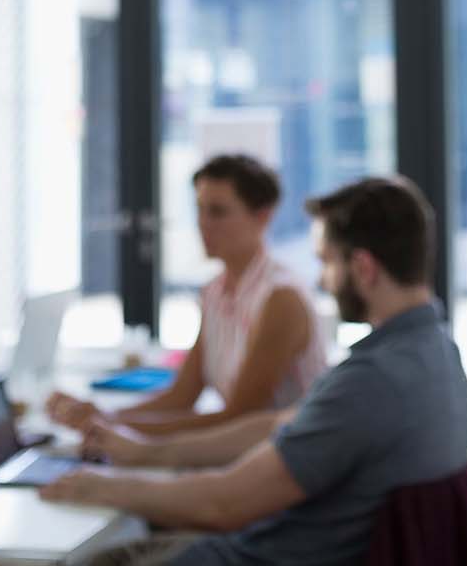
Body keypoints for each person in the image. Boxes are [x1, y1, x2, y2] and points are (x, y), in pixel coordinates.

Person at [38, 177, 467, 566]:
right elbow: (275, 423)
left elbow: (224, 504)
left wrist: (104, 486)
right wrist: (144, 453)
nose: (322, 279)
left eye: (326, 261)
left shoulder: (372, 380)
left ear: (362, 267)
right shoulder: (434, 352)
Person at [45, 155, 327, 435]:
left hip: (283, 461)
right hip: (243, 454)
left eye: (217, 212)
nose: (203, 223)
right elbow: (183, 395)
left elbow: (240, 417)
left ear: (262, 216)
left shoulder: (281, 297)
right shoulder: (215, 291)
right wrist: (104, 416)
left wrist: (111, 426)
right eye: (199, 210)